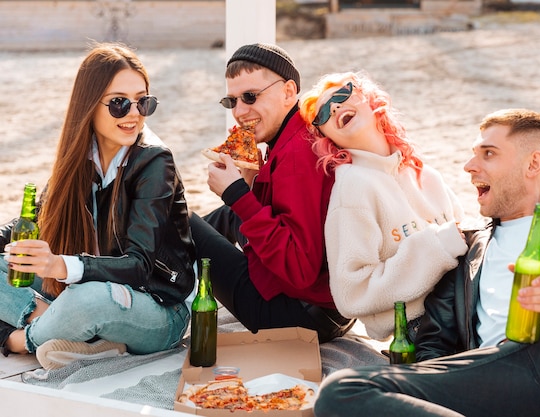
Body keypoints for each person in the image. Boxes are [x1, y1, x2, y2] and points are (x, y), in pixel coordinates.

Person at [311, 109, 540, 417]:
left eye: (488, 154)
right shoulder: (466, 246)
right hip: (500, 372)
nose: (468, 166)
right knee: (343, 389)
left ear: (533, 163)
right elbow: (432, 347)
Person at [0, 42, 196, 370]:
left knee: (85, 300)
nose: (134, 114)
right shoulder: (80, 157)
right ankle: (75, 333)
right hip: (83, 289)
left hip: (158, 306)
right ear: (89, 105)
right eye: (120, 104)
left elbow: (139, 266)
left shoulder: (154, 162)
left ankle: (26, 338)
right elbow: (34, 217)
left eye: (143, 102)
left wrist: (60, 266)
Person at [188, 43, 355, 344]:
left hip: (296, 318)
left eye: (251, 97)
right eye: (232, 101)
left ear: (289, 92)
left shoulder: (298, 153)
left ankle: (153, 286)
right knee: (226, 217)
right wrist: (251, 182)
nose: (239, 111)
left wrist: (238, 194)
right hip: (333, 311)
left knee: (182, 221)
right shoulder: (299, 132)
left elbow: (300, 268)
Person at [298, 71, 468, 341]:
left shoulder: (426, 175)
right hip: (422, 331)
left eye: (344, 94)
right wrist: (436, 247)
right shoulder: (352, 187)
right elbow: (351, 294)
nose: (336, 107)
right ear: (327, 138)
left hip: (468, 304)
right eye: (323, 115)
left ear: (372, 102)